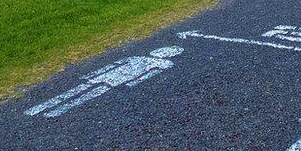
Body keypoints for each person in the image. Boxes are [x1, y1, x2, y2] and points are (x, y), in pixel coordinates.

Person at [25, 46, 183, 118]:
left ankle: (55, 110)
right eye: (164, 49)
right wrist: (96, 72)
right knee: (82, 88)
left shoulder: (164, 64)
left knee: (88, 94)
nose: (163, 52)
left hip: (118, 80)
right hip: (108, 76)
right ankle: (44, 106)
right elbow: (117, 64)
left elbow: (147, 74)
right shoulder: (139, 57)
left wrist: (133, 82)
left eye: (169, 52)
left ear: (170, 55)